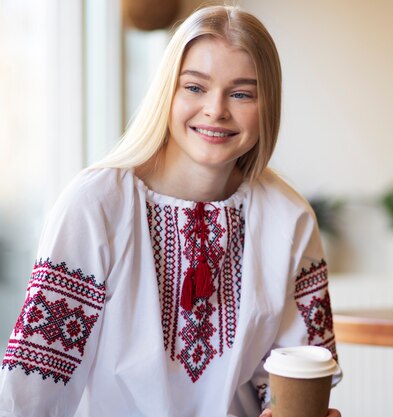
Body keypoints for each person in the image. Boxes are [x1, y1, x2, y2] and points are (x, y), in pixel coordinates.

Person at [0, 5, 341, 417]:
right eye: (195, 87)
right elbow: (35, 379)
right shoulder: (96, 206)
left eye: (241, 93)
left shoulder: (290, 218)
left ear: (267, 104)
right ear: (167, 93)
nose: (216, 109)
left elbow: (297, 369)